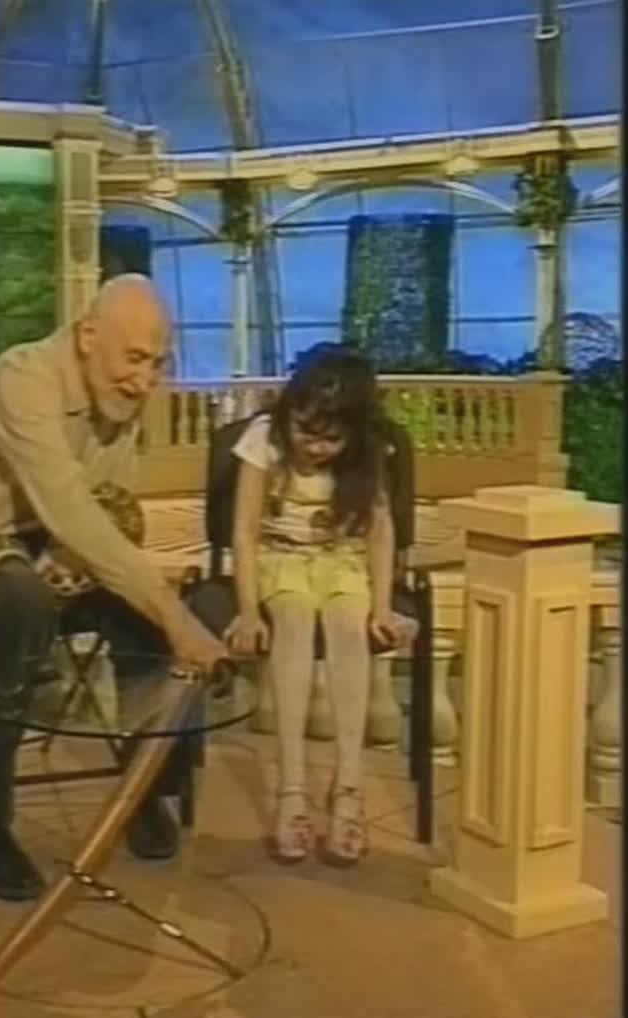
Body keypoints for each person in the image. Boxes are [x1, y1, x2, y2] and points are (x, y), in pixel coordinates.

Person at [0, 274, 230, 901]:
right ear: (88, 336)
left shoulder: (119, 396)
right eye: (134, 358)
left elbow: (107, 504)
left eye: (157, 364)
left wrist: (110, 581)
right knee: (22, 602)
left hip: (54, 537)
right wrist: (175, 616)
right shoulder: (23, 377)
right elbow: (68, 503)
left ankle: (140, 789)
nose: (144, 381)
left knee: (146, 618)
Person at [220, 347, 414, 866]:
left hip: (342, 559)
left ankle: (348, 788)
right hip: (280, 559)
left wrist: (381, 606)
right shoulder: (264, 439)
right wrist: (248, 610)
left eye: (332, 439)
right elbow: (243, 532)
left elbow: (381, 532)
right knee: (294, 620)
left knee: (349, 628)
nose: (316, 447)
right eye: (306, 431)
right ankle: (292, 789)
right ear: (290, 411)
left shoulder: (368, 452)